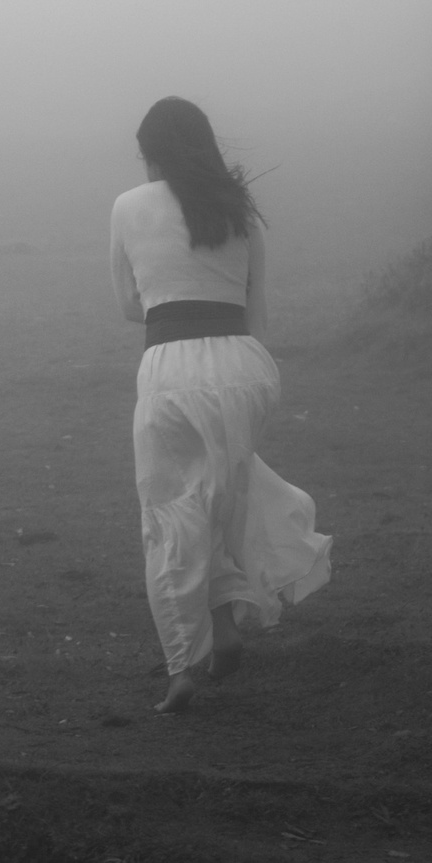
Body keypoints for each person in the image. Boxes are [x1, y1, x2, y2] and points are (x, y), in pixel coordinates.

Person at [109, 97, 332, 713]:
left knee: (173, 512)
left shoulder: (128, 206)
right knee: (219, 496)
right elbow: (257, 314)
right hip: (247, 370)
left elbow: (128, 306)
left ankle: (182, 664)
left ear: (152, 155)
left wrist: (172, 298)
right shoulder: (239, 210)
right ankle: (226, 628)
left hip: (174, 371)